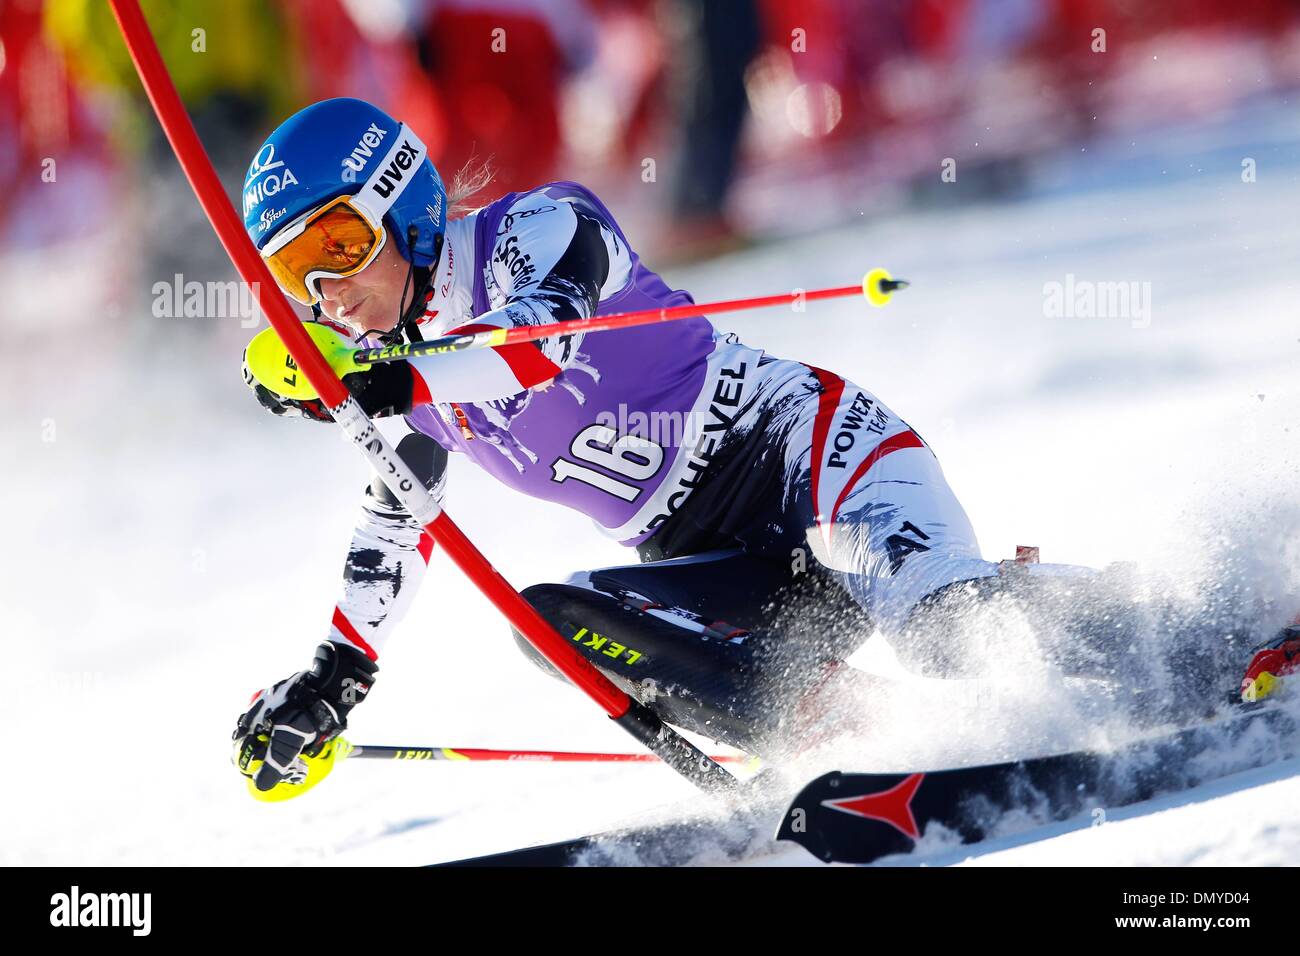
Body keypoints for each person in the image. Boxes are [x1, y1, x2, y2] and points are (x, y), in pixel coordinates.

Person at [231, 98, 1255, 795]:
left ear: (402, 205)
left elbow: (533, 349)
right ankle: (863, 750)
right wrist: (330, 680)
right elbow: (390, 531)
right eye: (298, 277)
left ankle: (1209, 625)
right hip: (712, 560)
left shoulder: (534, 231)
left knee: (945, 628)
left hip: (810, 465)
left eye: (337, 245)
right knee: (551, 626)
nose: (331, 292)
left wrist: (383, 383)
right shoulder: (410, 394)